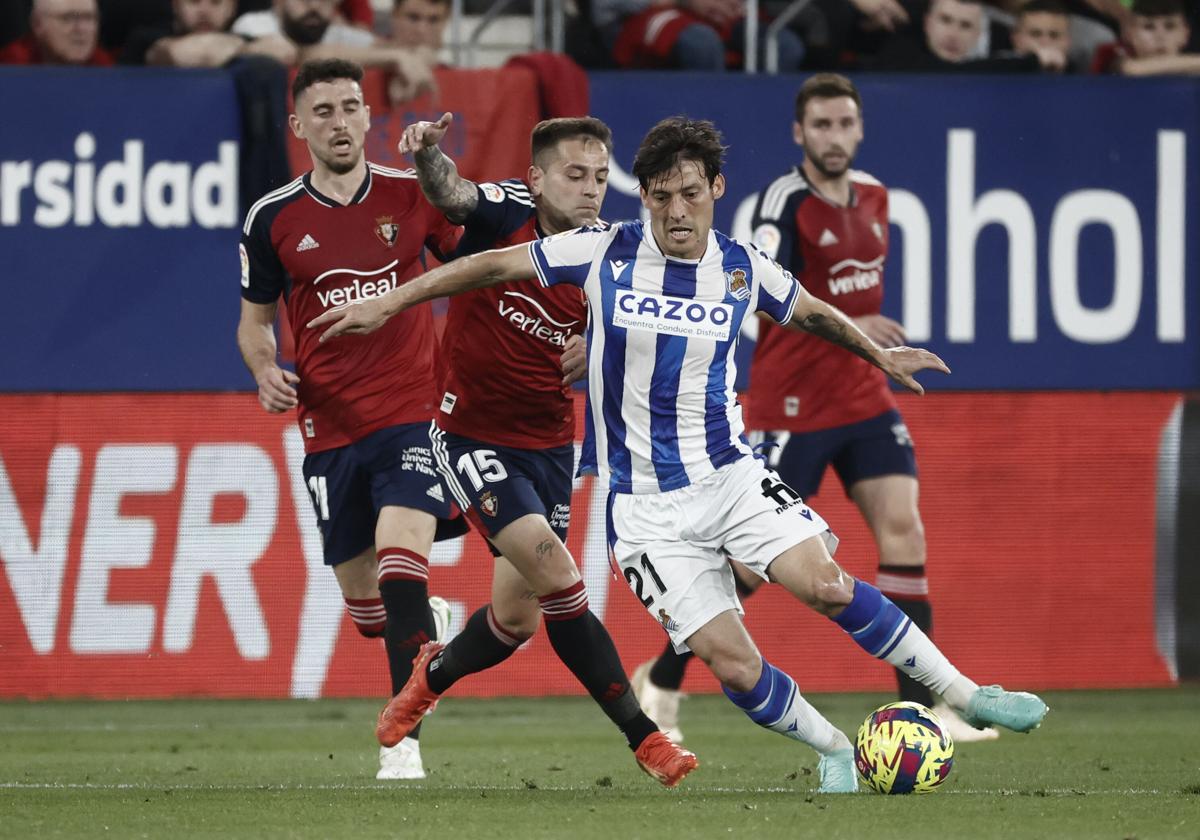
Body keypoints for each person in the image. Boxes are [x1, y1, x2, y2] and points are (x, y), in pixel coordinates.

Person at [308, 116, 1050, 793]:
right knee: (734, 664)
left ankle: (968, 695)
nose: (675, 211)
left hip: (729, 476)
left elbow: (814, 311)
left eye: (690, 194)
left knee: (824, 583)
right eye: (660, 196)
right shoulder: (602, 249)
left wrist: (878, 357)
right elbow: (488, 268)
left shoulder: (741, 265)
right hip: (643, 510)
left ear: (715, 190)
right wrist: (389, 302)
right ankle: (835, 753)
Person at [630, 73, 997, 747]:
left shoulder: (877, 197)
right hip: (791, 406)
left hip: (861, 399)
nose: (834, 136)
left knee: (904, 532)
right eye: (820, 125)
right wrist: (859, 323)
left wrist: (868, 346)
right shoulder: (782, 202)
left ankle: (922, 712)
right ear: (800, 133)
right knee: (750, 570)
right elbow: (768, 295)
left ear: (859, 128)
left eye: (844, 123)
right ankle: (661, 678)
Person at [362, 113, 698, 789]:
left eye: (601, 177)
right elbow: (453, 195)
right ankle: (645, 737)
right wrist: (429, 156)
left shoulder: (613, 251)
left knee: (515, 619)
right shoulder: (502, 214)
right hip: (469, 433)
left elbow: (639, 341)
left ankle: (431, 674)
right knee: (557, 571)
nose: (591, 190)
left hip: (548, 443)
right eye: (575, 176)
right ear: (536, 179)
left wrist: (596, 349)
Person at [236, 58, 461, 781]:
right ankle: (436, 627)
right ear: (298, 126)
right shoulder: (272, 218)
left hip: (413, 412)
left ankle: (404, 747)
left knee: (403, 558)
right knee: (371, 609)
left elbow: (479, 267)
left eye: (351, 107)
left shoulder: (413, 195)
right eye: (324, 111)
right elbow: (254, 324)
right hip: (329, 428)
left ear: (371, 117)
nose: (340, 122)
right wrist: (265, 369)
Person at [231, 0, 435, 101]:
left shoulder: (337, 34)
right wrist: (394, 58)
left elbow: (401, 49)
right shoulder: (254, 24)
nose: (314, 6)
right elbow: (301, 55)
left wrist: (415, 58)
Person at [871, 0, 1063, 71]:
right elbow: (944, 73)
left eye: (965, 26)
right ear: (928, 23)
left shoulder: (997, 49)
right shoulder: (900, 48)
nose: (953, 35)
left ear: (979, 34)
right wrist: (1027, 62)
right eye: (946, 20)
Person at [1092, 0, 1200, 75]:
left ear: (1185, 34)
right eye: (1148, 27)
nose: (1160, 37)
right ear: (1128, 34)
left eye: (1170, 26)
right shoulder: (1114, 57)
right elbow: (1132, 69)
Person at [0, 0, 114, 65]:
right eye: (67, 18)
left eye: (89, 18)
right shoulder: (13, 64)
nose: (81, 29)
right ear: (37, 24)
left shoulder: (101, 63)